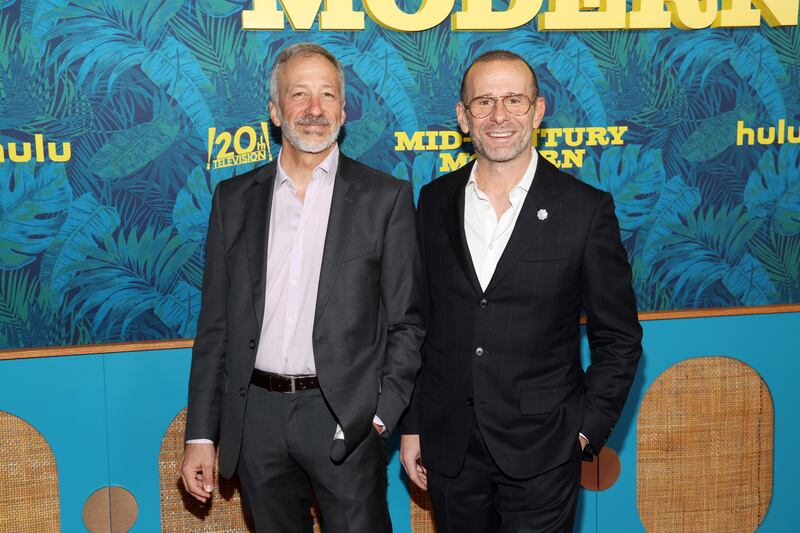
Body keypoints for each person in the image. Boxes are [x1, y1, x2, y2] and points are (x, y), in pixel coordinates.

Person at [180, 43, 424, 533]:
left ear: (343, 110)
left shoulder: (385, 198)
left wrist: (379, 417)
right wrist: (201, 435)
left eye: (327, 95)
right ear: (275, 111)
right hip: (256, 419)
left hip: (344, 416)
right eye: (299, 94)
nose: (315, 108)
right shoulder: (234, 199)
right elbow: (216, 328)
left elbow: (408, 322)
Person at [400, 50, 642, 532]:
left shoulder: (585, 210)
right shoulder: (434, 201)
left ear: (538, 110)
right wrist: (413, 424)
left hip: (545, 448)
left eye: (514, 100)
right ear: (463, 117)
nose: (499, 116)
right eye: (484, 102)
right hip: (450, 446)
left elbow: (619, 339)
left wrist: (583, 431)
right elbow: (419, 323)